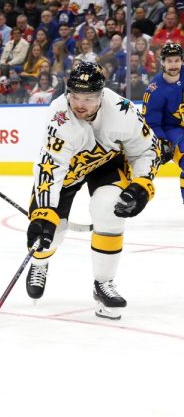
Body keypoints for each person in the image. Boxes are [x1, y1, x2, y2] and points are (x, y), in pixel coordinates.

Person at [25, 62, 161, 320]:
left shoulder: (122, 111)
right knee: (51, 232)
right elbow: (50, 166)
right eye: (75, 96)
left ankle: (103, 284)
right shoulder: (59, 116)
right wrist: (43, 212)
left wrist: (143, 183)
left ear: (102, 95)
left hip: (105, 164)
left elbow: (147, 149)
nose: (79, 104)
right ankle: (40, 262)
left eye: (88, 98)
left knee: (110, 209)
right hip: (67, 172)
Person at [142, 42, 184, 203]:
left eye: (176, 60)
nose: (173, 65)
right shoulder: (154, 90)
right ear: (162, 62)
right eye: (169, 61)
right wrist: (162, 140)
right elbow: (151, 122)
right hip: (173, 130)